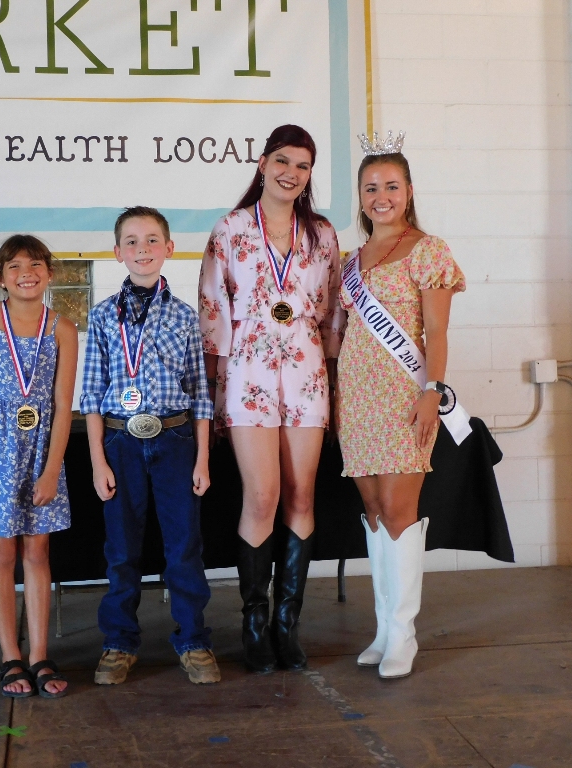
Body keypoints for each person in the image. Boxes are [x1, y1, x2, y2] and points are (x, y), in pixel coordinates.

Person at [199, 124, 341, 673]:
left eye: (303, 165)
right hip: (248, 373)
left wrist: (334, 381)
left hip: (307, 374)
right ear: (262, 163)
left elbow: (333, 314)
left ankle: (287, 623)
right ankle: (254, 624)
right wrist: (213, 392)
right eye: (282, 161)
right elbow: (212, 310)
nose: (291, 173)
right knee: (261, 497)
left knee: (301, 495)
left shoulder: (322, 234)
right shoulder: (231, 228)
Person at [336, 132, 466, 679]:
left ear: (409, 191)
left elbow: (436, 332)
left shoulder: (428, 249)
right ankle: (383, 628)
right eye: (371, 188)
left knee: (398, 510)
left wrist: (431, 391)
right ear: (361, 196)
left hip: (402, 394)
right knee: (372, 511)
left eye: (391, 186)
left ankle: (404, 633)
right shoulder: (351, 259)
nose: (381, 196)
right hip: (356, 396)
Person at [80, 206, 219, 686]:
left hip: (175, 440)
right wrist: (97, 461)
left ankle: (193, 639)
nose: (143, 249)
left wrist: (202, 457)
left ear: (169, 249)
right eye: (132, 241)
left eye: (152, 240)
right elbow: (91, 395)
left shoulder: (184, 317)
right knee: (122, 550)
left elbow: (200, 392)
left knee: (184, 547)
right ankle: (119, 642)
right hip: (120, 442)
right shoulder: (102, 317)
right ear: (117, 252)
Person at [0, 235, 78, 699]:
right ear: (0, 277)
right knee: (1, 554)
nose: (25, 273)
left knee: (37, 553)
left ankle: (39, 655)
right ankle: (10, 656)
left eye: (35, 265)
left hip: (41, 451)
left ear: (49, 273)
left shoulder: (64, 328)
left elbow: (63, 403)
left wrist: (52, 470)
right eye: (14, 266)